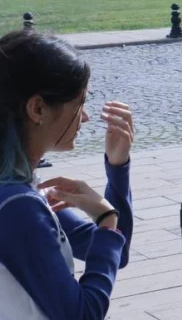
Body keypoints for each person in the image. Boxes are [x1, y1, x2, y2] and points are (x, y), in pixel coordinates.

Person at [0, 29, 135, 320]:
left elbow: (113, 251)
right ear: (38, 108)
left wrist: (117, 166)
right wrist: (107, 220)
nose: (85, 116)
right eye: (79, 103)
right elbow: (82, 314)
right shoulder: (18, 205)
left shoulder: (21, 191)